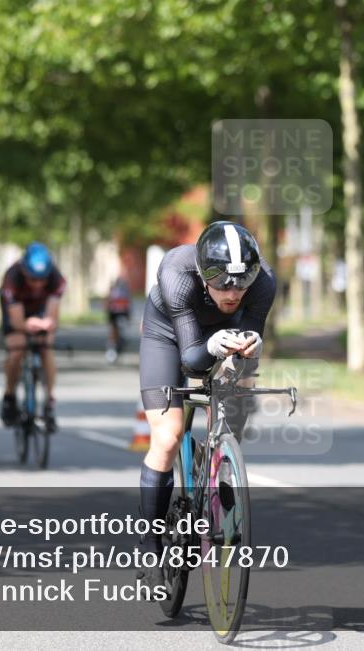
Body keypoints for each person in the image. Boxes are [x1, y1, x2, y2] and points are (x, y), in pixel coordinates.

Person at [135, 221, 276, 589]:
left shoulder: (264, 284)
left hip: (223, 334)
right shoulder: (176, 273)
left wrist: (251, 348)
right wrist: (214, 346)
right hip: (169, 334)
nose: (233, 293)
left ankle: (217, 468)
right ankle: (150, 546)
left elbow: (247, 358)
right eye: (222, 283)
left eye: (242, 283)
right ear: (201, 273)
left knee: (235, 402)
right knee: (167, 438)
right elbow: (192, 361)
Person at [0, 242, 65, 432]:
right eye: (32, 279)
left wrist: (48, 323)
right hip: (16, 311)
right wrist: (28, 325)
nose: (37, 284)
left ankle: (50, 400)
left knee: (46, 347)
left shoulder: (56, 278)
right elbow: (17, 321)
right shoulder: (12, 278)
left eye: (41, 280)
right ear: (24, 271)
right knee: (16, 350)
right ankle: (9, 396)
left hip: (40, 309)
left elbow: (53, 316)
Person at [105, 275, 132, 364]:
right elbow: (108, 303)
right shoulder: (115, 291)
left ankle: (117, 345)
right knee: (113, 331)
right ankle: (112, 349)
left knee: (116, 331)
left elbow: (128, 305)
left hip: (120, 314)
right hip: (115, 314)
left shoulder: (123, 292)